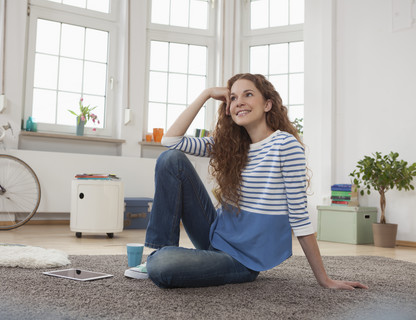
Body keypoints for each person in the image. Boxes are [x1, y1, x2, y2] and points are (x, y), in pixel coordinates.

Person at [125, 73, 368, 290]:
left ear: (267, 104)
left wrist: (324, 279)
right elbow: (170, 142)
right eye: (233, 97)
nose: (239, 101)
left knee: (163, 265)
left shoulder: (285, 145)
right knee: (171, 160)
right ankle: (159, 250)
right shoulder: (230, 146)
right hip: (214, 237)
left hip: (242, 260)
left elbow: (299, 217)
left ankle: (161, 258)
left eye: (248, 95)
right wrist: (207, 94)